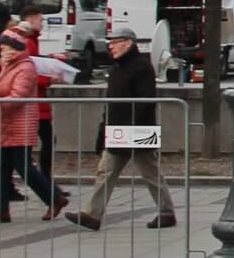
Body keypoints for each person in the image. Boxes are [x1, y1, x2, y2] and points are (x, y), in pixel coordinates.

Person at [60, 27, 169, 233]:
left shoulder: (141, 67)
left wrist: (133, 128)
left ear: (128, 43)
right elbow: (111, 104)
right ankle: (93, 214)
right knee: (107, 171)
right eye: (110, 43)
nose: (111, 46)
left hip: (136, 130)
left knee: (149, 172)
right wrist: (104, 130)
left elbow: (146, 102)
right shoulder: (117, 69)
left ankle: (166, 212)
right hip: (119, 130)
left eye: (115, 42)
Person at [0, 33, 59, 222]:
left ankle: (54, 198)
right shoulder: (8, 65)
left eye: (4, 47)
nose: (1, 50)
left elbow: (18, 97)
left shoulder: (25, 67)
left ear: (14, 48)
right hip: (5, 124)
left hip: (20, 125)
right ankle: (0, 209)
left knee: (24, 167)